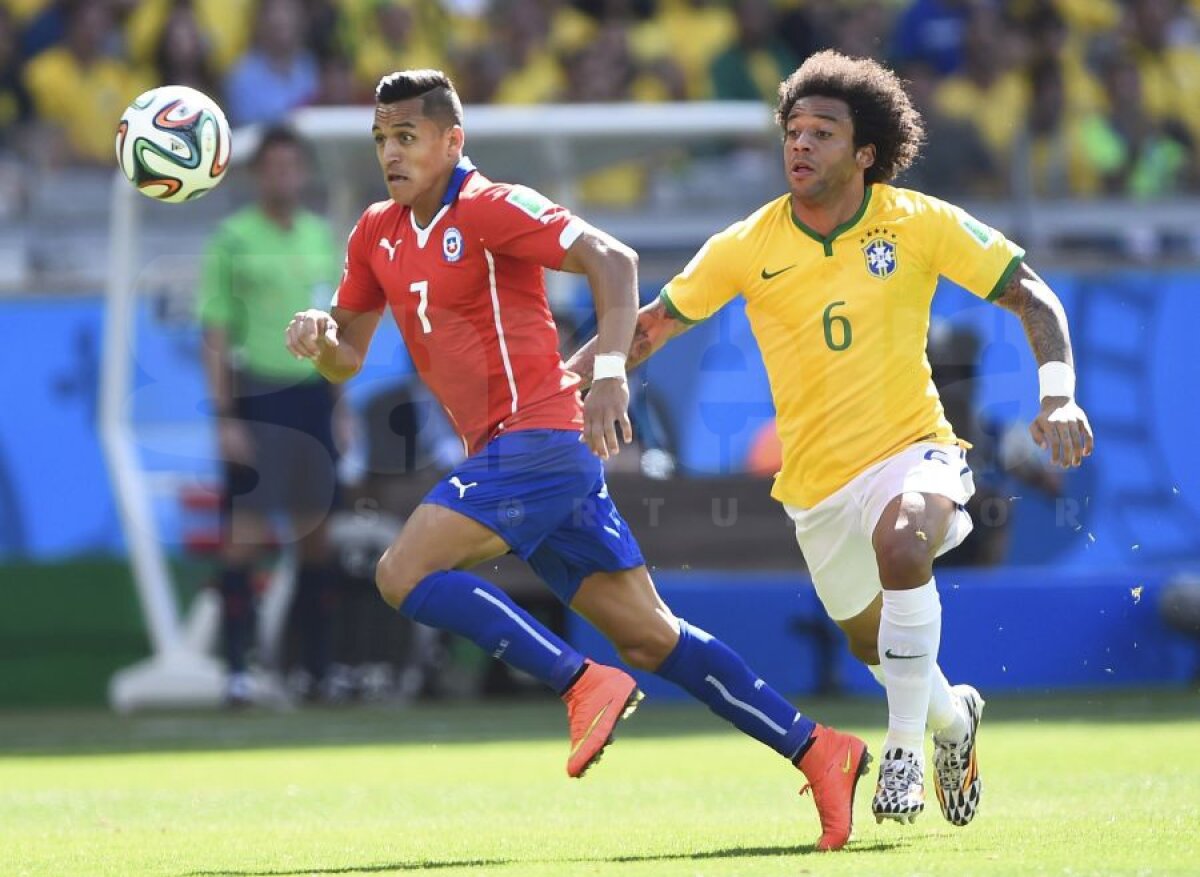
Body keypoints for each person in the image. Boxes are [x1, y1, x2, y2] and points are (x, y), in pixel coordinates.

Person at [285, 68, 869, 852]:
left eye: (408, 137)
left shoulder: (489, 205)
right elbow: (347, 356)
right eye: (382, 139)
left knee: (402, 572)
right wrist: (320, 338)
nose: (391, 153)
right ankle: (819, 748)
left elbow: (614, 259)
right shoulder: (374, 233)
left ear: (452, 140)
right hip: (517, 456)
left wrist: (609, 372)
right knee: (652, 637)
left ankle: (579, 679)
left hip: (540, 441)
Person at [568, 50, 1095, 828]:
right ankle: (955, 719)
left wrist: (1059, 394)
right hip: (816, 485)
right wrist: (569, 379)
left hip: (915, 446)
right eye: (793, 130)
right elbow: (650, 326)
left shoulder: (917, 222)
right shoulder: (747, 243)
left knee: (905, 541)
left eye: (822, 132)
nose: (801, 144)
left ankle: (904, 754)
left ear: (866, 151)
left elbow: (1032, 294)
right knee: (872, 645)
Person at [197, 125, 344, 705]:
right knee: (245, 538)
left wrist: (340, 405)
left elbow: (336, 329)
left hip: (313, 397)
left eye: (292, 166)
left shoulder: (319, 236)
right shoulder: (233, 239)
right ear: (259, 174)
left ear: (302, 172)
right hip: (258, 396)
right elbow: (215, 333)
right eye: (274, 166)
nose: (284, 176)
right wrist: (224, 417)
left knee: (317, 539)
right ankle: (238, 670)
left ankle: (315, 670)